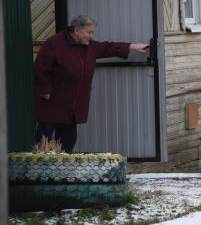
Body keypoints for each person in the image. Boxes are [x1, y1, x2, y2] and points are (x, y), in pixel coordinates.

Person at [34, 15, 150, 153]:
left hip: (73, 103)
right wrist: (45, 90)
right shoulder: (54, 43)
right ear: (77, 30)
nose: (91, 36)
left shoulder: (89, 46)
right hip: (52, 100)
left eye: (92, 33)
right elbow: (41, 68)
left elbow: (108, 47)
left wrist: (133, 47)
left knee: (68, 140)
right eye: (89, 32)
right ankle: (40, 169)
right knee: (44, 138)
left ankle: (63, 169)